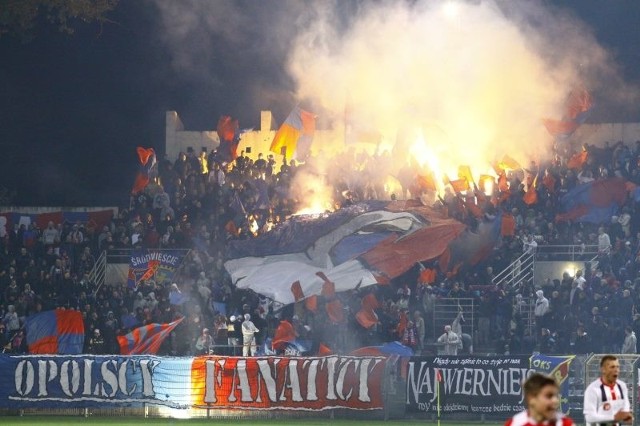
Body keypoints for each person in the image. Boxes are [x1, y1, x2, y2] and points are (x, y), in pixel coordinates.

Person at [505, 373, 574, 425]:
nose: (555, 400)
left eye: (556, 396)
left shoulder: (565, 423)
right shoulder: (516, 423)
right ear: (531, 398)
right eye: (549, 396)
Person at [583, 355, 633, 425]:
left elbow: (625, 407)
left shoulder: (622, 386)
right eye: (612, 367)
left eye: (617, 367)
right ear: (603, 369)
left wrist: (627, 415)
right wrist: (613, 417)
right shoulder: (593, 389)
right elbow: (589, 418)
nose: (616, 370)